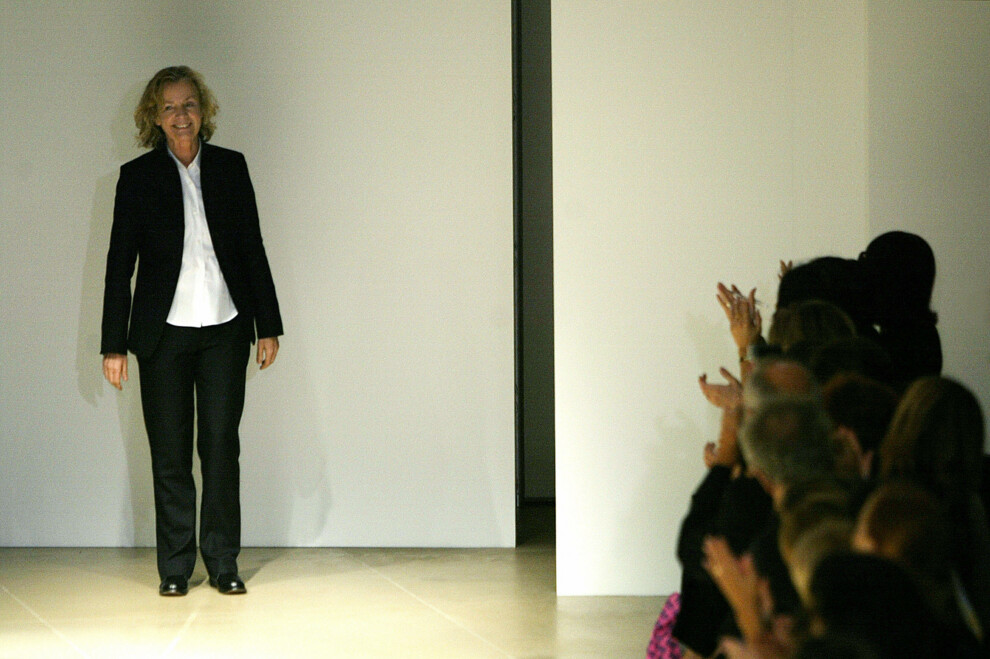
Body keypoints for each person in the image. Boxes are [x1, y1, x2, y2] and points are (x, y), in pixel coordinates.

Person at [101, 66, 283, 596]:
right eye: (169, 108)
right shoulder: (137, 178)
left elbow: (252, 248)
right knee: (170, 453)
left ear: (203, 110)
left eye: (189, 104)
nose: (181, 116)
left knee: (221, 447)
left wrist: (268, 325)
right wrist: (114, 345)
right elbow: (119, 266)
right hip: (163, 337)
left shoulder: (231, 168)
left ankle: (223, 562)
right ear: (154, 119)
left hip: (225, 329)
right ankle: (176, 567)